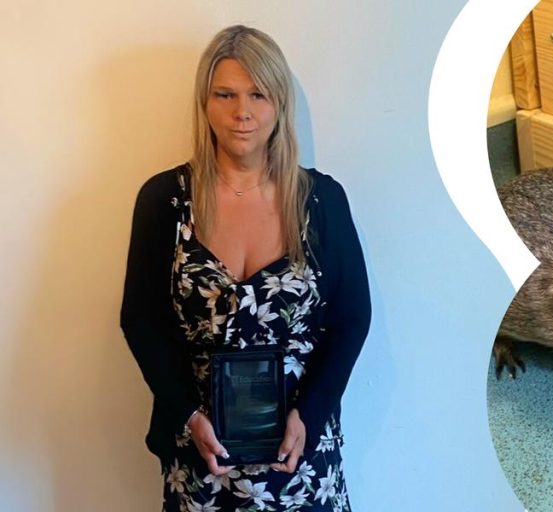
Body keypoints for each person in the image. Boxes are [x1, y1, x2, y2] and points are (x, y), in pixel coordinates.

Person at [120, 25, 371, 511]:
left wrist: (310, 415)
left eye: (258, 94)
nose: (242, 112)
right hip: (201, 450)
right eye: (225, 94)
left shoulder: (321, 201)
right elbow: (141, 320)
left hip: (299, 453)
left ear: (279, 103)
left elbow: (352, 319)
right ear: (204, 101)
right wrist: (189, 416)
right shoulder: (164, 201)